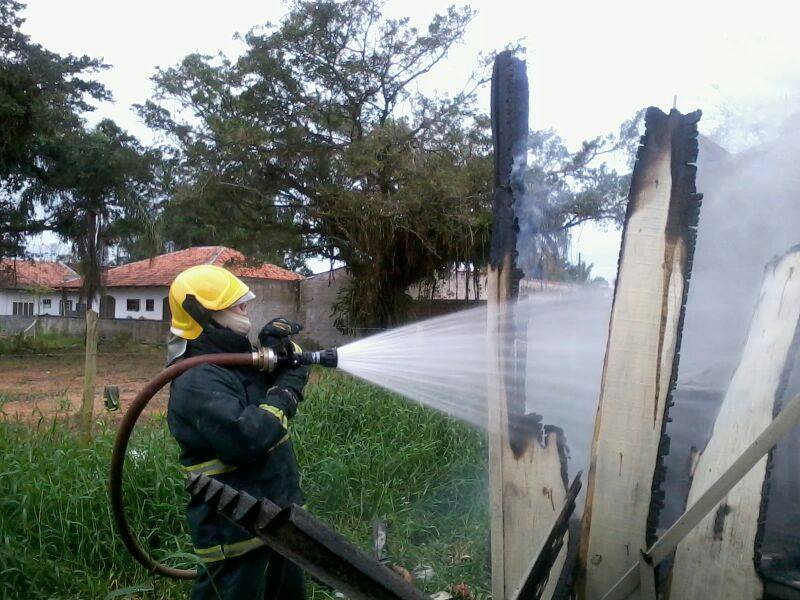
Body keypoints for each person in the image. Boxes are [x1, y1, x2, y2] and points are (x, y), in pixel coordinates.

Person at [166, 264, 308, 600]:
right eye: (233, 303)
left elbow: (255, 396)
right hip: (236, 539)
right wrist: (287, 391)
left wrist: (282, 354)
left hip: (277, 526)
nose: (245, 307)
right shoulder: (196, 379)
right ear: (200, 313)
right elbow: (248, 437)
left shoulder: (231, 362)